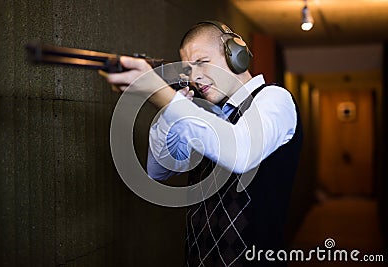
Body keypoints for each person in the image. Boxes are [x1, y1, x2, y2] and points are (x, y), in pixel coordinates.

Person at [102, 21, 302, 267]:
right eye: (188, 68)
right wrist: (169, 108)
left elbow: (240, 152)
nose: (194, 77)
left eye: (202, 62)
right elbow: (159, 170)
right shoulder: (210, 116)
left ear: (235, 55)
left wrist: (164, 96)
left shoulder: (274, 99)